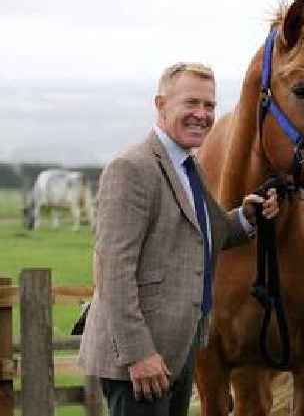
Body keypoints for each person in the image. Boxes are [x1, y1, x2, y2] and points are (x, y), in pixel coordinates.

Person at [78, 62, 279, 416]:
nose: (202, 115)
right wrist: (139, 354)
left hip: (179, 349)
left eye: (209, 106)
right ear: (161, 105)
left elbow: (209, 235)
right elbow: (113, 271)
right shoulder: (132, 168)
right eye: (191, 103)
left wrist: (248, 216)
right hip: (140, 360)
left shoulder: (188, 165)